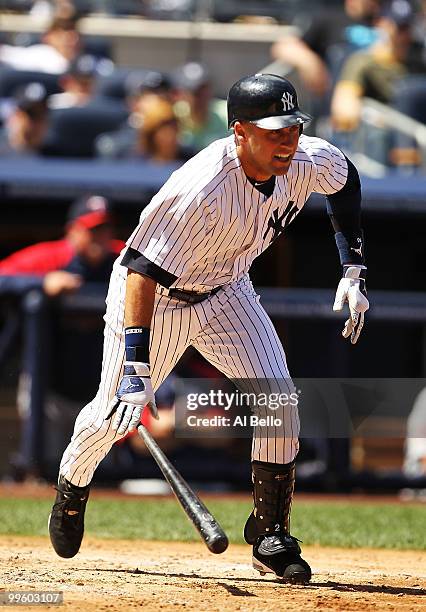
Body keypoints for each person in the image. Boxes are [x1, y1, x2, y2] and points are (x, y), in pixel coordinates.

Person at [48, 73, 369, 584]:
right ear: (240, 132)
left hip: (228, 290)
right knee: (112, 416)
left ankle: (270, 533)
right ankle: (72, 487)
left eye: (292, 127)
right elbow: (140, 271)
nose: (288, 140)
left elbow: (347, 179)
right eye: (273, 130)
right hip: (160, 299)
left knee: (278, 398)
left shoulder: (306, 157)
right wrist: (136, 366)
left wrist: (352, 266)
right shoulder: (201, 187)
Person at [331, 0, 426, 131]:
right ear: (382, 25)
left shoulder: (419, 58)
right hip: (386, 136)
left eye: (408, 27)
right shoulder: (363, 61)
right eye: (400, 28)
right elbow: (344, 107)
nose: (405, 35)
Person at [0, 194, 123, 293]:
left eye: (105, 228)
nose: (100, 236)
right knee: (34, 300)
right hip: (52, 324)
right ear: (72, 231)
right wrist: (43, 282)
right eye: (92, 230)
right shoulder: (54, 255)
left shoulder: (122, 255)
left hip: (101, 323)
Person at [271, 0, 383, 97]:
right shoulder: (330, 19)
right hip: (336, 99)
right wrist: (309, 62)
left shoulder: (389, 23)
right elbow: (284, 47)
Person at [171, 61, 228, 152]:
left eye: (203, 89)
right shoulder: (172, 115)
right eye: (193, 92)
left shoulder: (228, 113)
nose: (199, 97)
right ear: (180, 94)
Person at [0, 15, 82, 74]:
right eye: (63, 36)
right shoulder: (40, 55)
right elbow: (6, 54)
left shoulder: (85, 61)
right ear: (48, 37)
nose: (71, 41)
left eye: (73, 36)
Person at [0, 82, 49, 156]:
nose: (33, 124)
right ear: (13, 116)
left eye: (41, 116)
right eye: (31, 114)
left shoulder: (59, 157)